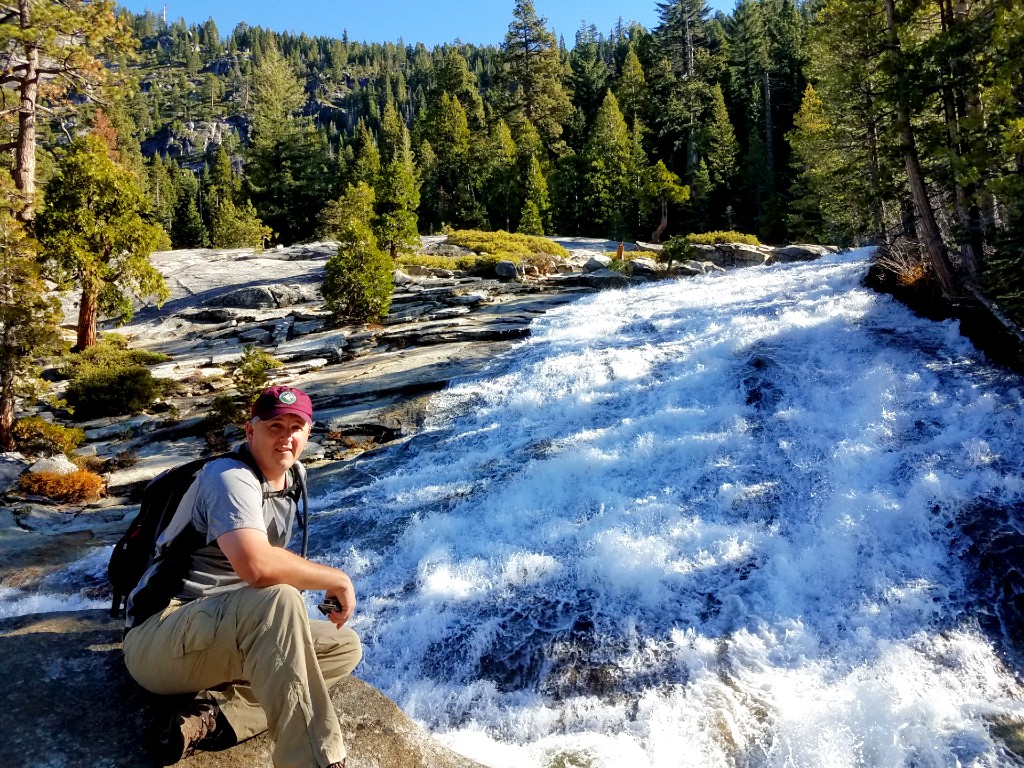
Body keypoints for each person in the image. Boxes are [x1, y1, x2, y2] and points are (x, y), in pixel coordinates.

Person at [122, 385, 361, 768]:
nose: (286, 437)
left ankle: (212, 718)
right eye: (274, 426)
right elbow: (256, 566)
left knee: (344, 646)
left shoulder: (294, 476)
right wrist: (338, 579)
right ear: (250, 432)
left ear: (308, 433)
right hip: (159, 636)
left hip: (219, 630)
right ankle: (315, 761)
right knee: (282, 600)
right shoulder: (229, 477)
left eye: (295, 426)